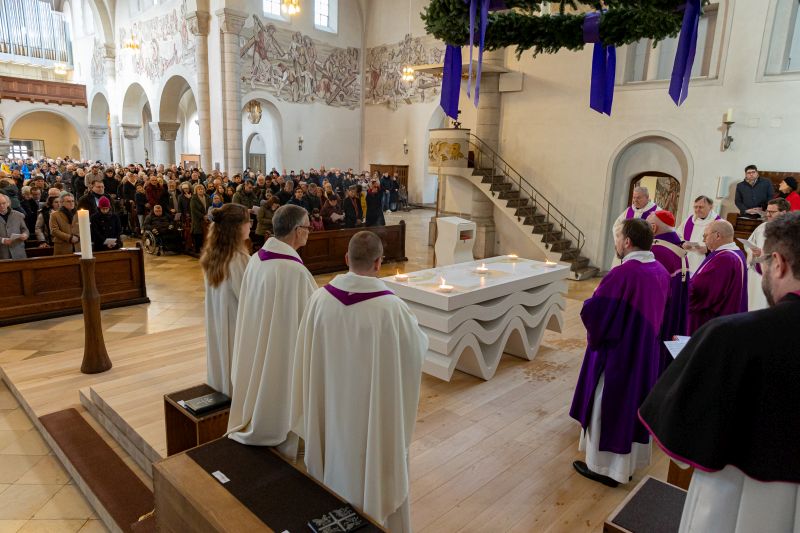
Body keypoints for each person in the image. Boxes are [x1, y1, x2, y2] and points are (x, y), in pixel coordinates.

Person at [639, 212, 800, 533]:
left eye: (763, 262)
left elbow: (678, 429)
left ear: (778, 263)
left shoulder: (731, 337)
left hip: (736, 501)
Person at [291, 231, 428, 532]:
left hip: (330, 408)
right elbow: (416, 350)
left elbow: (303, 356)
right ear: (379, 263)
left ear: (346, 259)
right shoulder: (391, 309)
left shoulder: (319, 299)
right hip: (370, 419)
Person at [569, 218, 669, 487]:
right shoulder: (659, 269)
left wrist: (590, 301)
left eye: (617, 239)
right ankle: (626, 467)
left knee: (607, 404)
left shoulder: (623, 273)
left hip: (618, 354)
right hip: (644, 352)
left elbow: (597, 312)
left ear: (627, 242)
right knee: (631, 405)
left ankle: (604, 468)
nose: (616, 243)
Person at [226, 205, 317, 454]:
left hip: (257, 340)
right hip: (280, 349)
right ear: (297, 231)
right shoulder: (294, 271)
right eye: (308, 226)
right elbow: (311, 319)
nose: (309, 231)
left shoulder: (257, 259)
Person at [200, 204, 251, 396]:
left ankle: (222, 391)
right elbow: (248, 298)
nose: (250, 226)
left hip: (218, 320)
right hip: (234, 322)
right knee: (233, 361)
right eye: (247, 222)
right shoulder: (238, 259)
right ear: (236, 227)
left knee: (221, 358)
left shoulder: (212, 254)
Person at [647, 210, 689, 374]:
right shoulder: (677, 246)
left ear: (653, 228)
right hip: (675, 311)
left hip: (661, 316)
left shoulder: (657, 251)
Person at [688, 220, 747, 333]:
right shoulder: (735, 252)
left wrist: (683, 288)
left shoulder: (725, 258)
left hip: (712, 322)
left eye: (705, 236)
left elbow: (703, 292)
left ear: (717, 236)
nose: (703, 240)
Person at [745, 197, 790, 311]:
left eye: (772, 212)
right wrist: (753, 252)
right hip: (756, 272)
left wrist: (763, 254)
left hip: (773, 273)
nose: (768, 215)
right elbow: (749, 245)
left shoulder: (789, 230)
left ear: (783, 212)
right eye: (767, 211)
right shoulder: (761, 227)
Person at [677, 195, 721, 274]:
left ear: (710, 207)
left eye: (701, 207)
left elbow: (722, 243)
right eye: (695, 207)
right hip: (687, 258)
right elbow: (678, 235)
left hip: (704, 260)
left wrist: (707, 250)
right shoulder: (688, 221)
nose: (697, 210)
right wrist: (683, 244)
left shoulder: (718, 222)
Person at [0, 193, 29, 259]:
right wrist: (2, 240)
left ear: (8, 203)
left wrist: (25, 235)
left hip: (18, 251)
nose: (1, 206)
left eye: (4, 203)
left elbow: (25, 229)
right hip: (2, 253)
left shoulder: (18, 215)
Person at [189, 184, 208, 253]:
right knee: (198, 233)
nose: (200, 190)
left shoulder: (207, 197)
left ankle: (205, 247)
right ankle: (197, 249)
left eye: (202, 189)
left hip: (206, 217)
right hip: (197, 218)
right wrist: (203, 216)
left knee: (205, 233)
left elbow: (209, 206)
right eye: (199, 189)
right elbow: (194, 210)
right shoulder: (194, 198)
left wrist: (207, 215)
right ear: (196, 191)